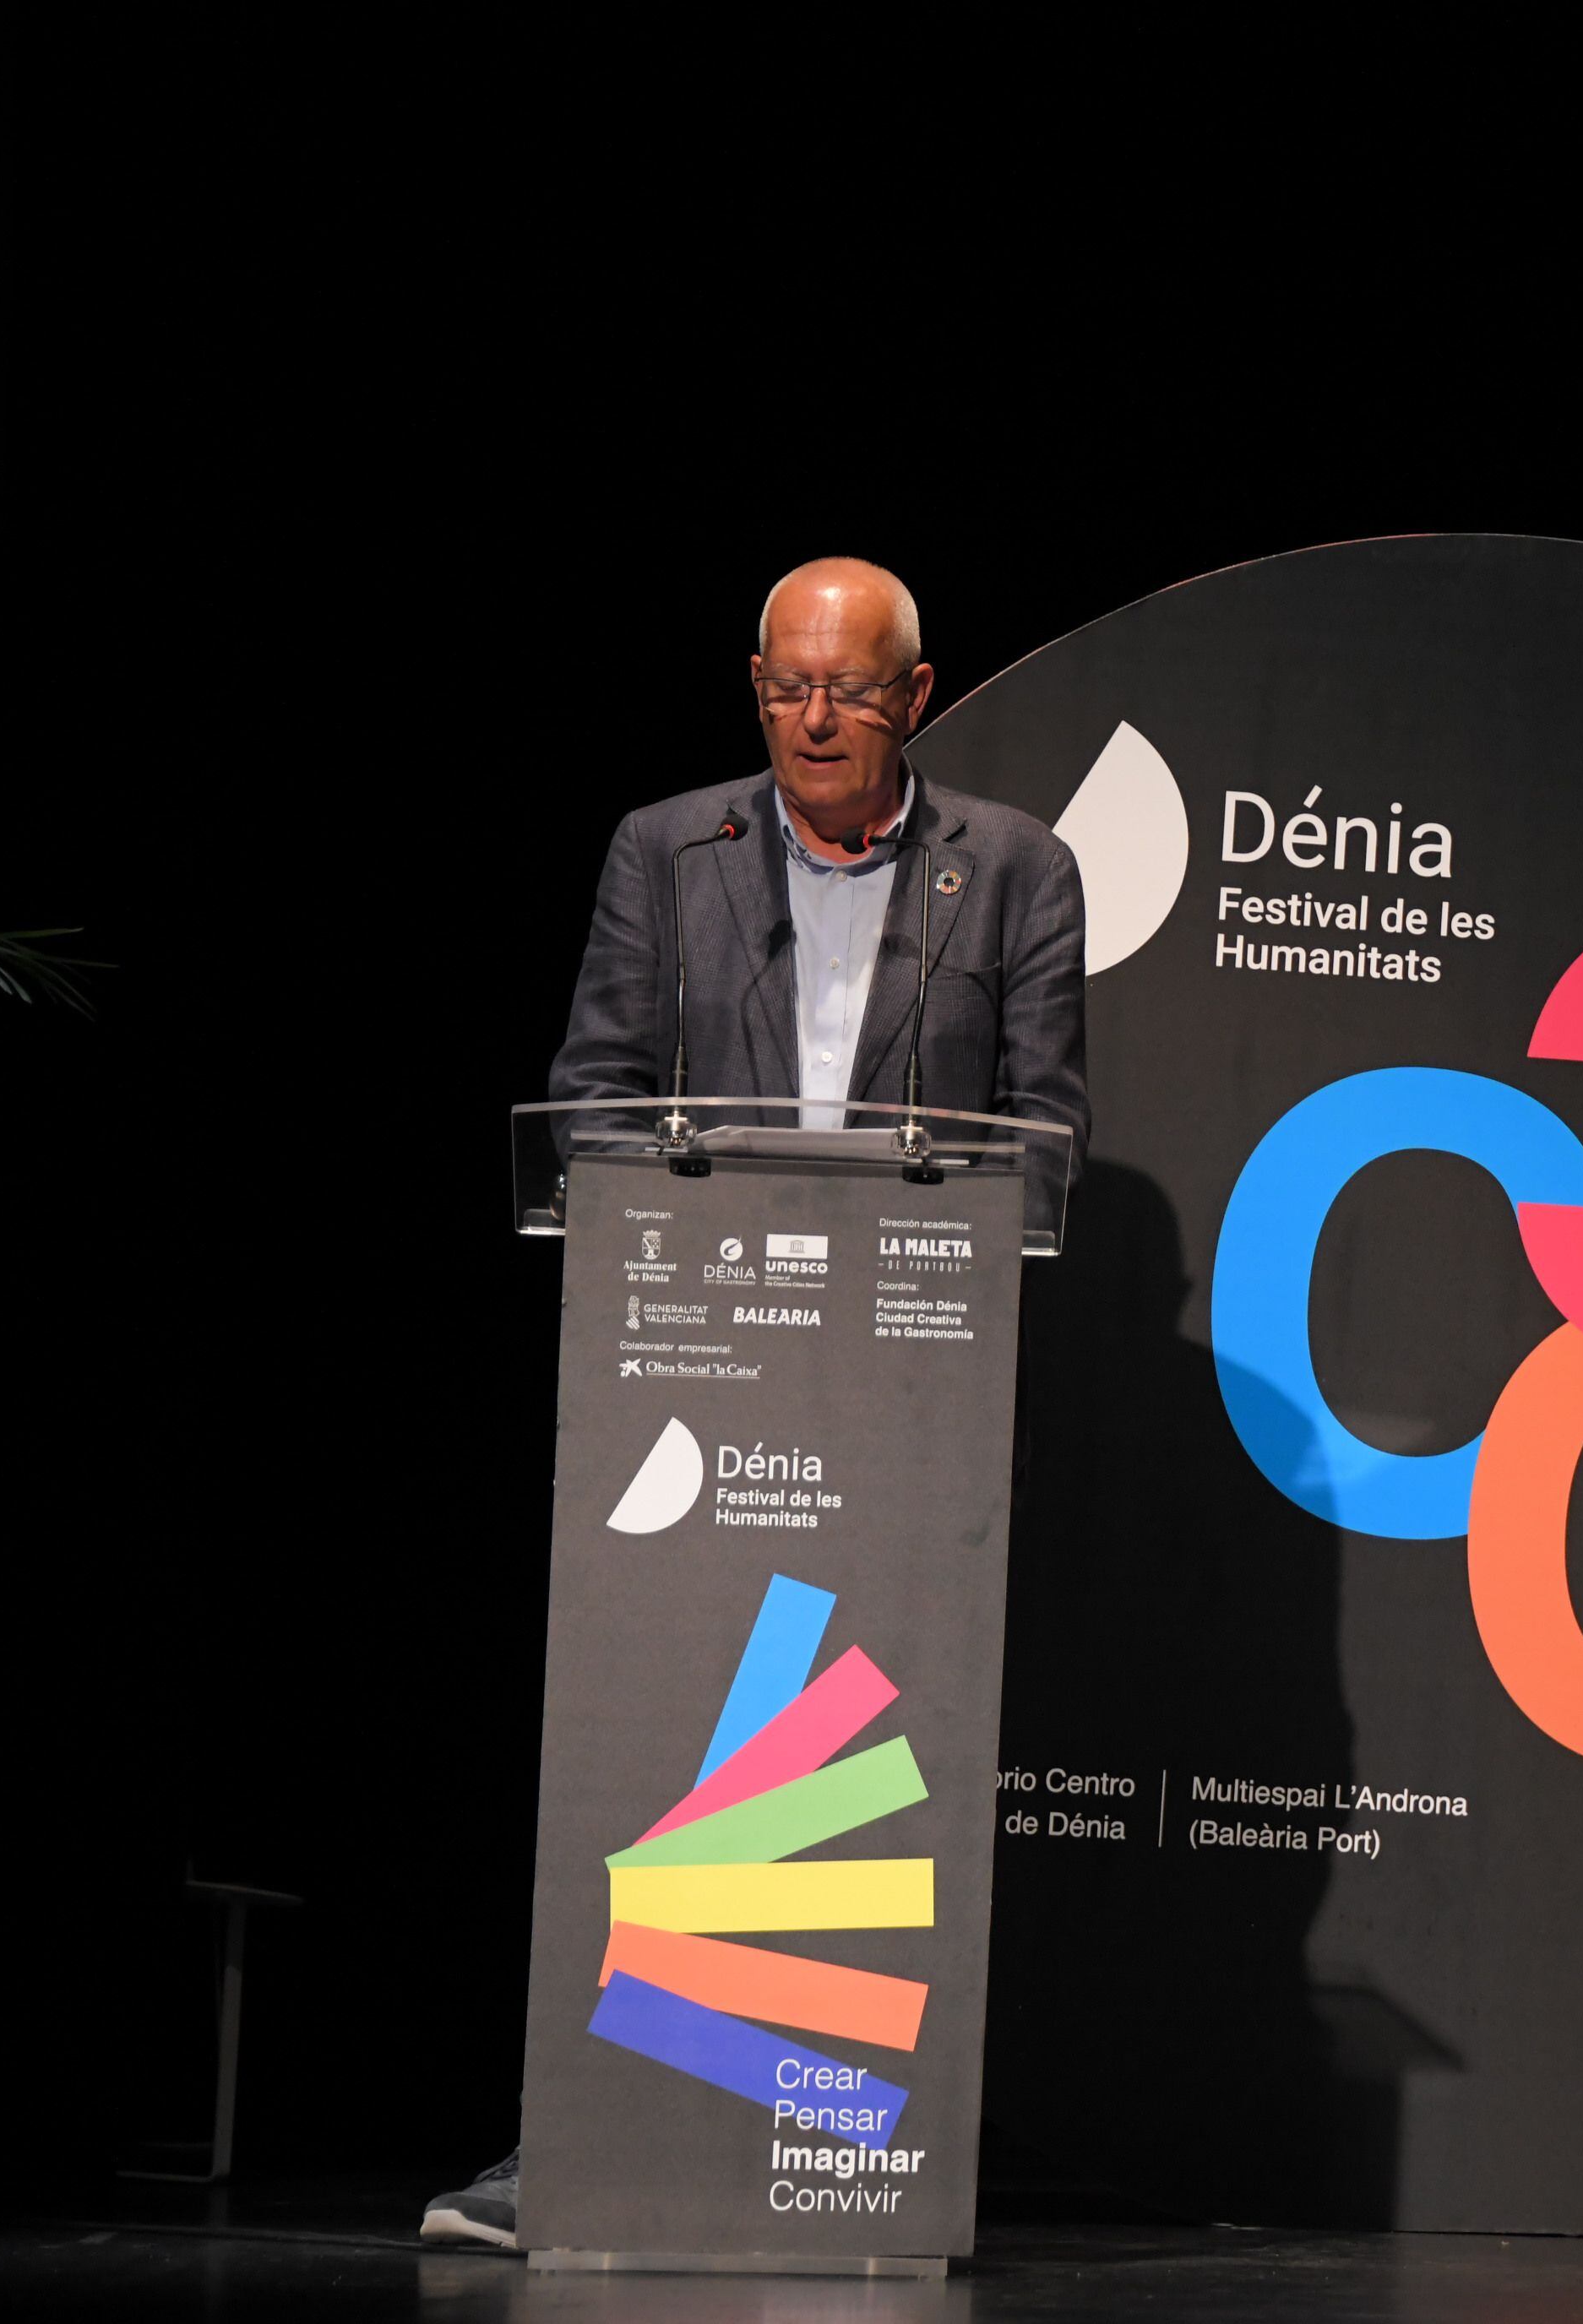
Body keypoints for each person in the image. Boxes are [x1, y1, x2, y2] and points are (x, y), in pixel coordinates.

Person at [419, 557, 1089, 2249]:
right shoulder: (672, 847)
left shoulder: (1013, 869)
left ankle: (863, 2134)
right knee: (670, 1736)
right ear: (754, 684)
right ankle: (587, 2137)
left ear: (917, 698)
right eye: (787, 685)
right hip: (695, 1368)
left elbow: (1050, 1138)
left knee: (851, 1745)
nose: (815, 717)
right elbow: (591, 1098)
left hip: (907, 1385)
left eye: (852, 690)